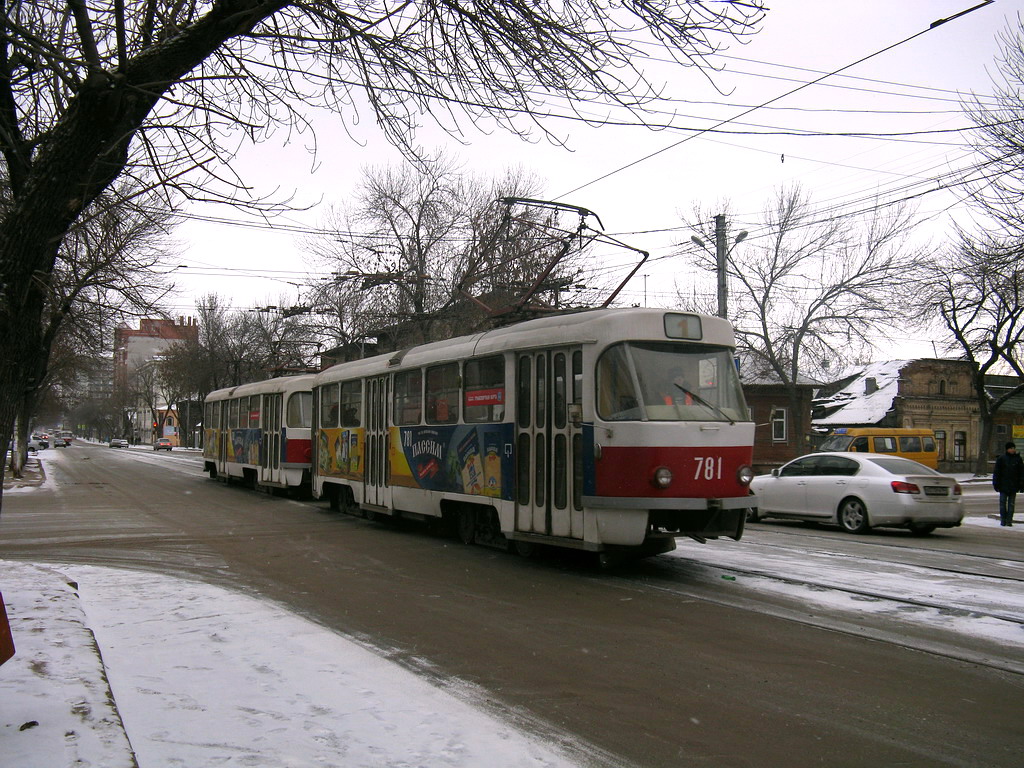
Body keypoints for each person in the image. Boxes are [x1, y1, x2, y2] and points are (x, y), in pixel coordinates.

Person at [992, 441, 1024, 526]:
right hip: (1003, 485)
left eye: (1014, 448)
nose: (1013, 450)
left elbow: (1021, 473)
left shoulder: (1018, 459)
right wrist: (995, 483)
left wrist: (1021, 485)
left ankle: (1009, 521)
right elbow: (997, 472)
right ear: (1007, 449)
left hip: (1013, 485)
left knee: (1011, 504)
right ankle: (1003, 520)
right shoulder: (1002, 459)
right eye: (1011, 448)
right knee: (1002, 504)